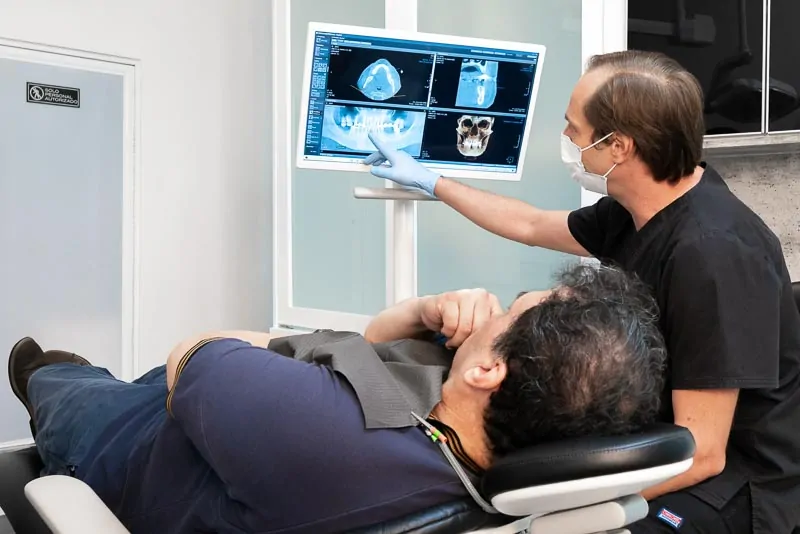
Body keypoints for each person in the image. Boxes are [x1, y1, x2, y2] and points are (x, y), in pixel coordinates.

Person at [363, 49, 800, 533]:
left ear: (620, 147)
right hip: (655, 433)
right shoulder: (642, 206)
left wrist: (541, 506)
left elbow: (704, 452)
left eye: (574, 126)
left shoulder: (713, 255)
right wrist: (431, 181)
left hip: (736, 485)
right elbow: (529, 224)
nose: (566, 135)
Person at [7, 263, 666, 534]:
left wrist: (301, 345)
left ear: (490, 370)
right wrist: (417, 316)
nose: (492, 306)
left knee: (68, 384)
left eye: (507, 313)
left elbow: (194, 355)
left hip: (138, 444)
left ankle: (47, 378)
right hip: (232, 433)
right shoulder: (474, 469)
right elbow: (353, 361)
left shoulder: (332, 434)